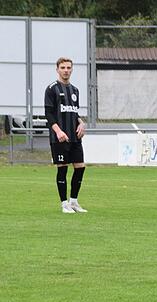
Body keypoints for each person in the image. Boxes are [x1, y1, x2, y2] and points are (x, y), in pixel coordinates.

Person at [45, 57, 87, 214]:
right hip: (59, 138)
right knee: (62, 169)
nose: (66, 70)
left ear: (72, 69)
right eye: (63, 67)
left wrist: (81, 123)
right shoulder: (51, 89)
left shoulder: (75, 90)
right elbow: (48, 114)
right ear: (57, 69)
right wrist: (58, 131)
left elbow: (73, 112)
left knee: (80, 167)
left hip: (75, 137)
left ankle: (74, 202)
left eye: (68, 67)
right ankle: (64, 204)